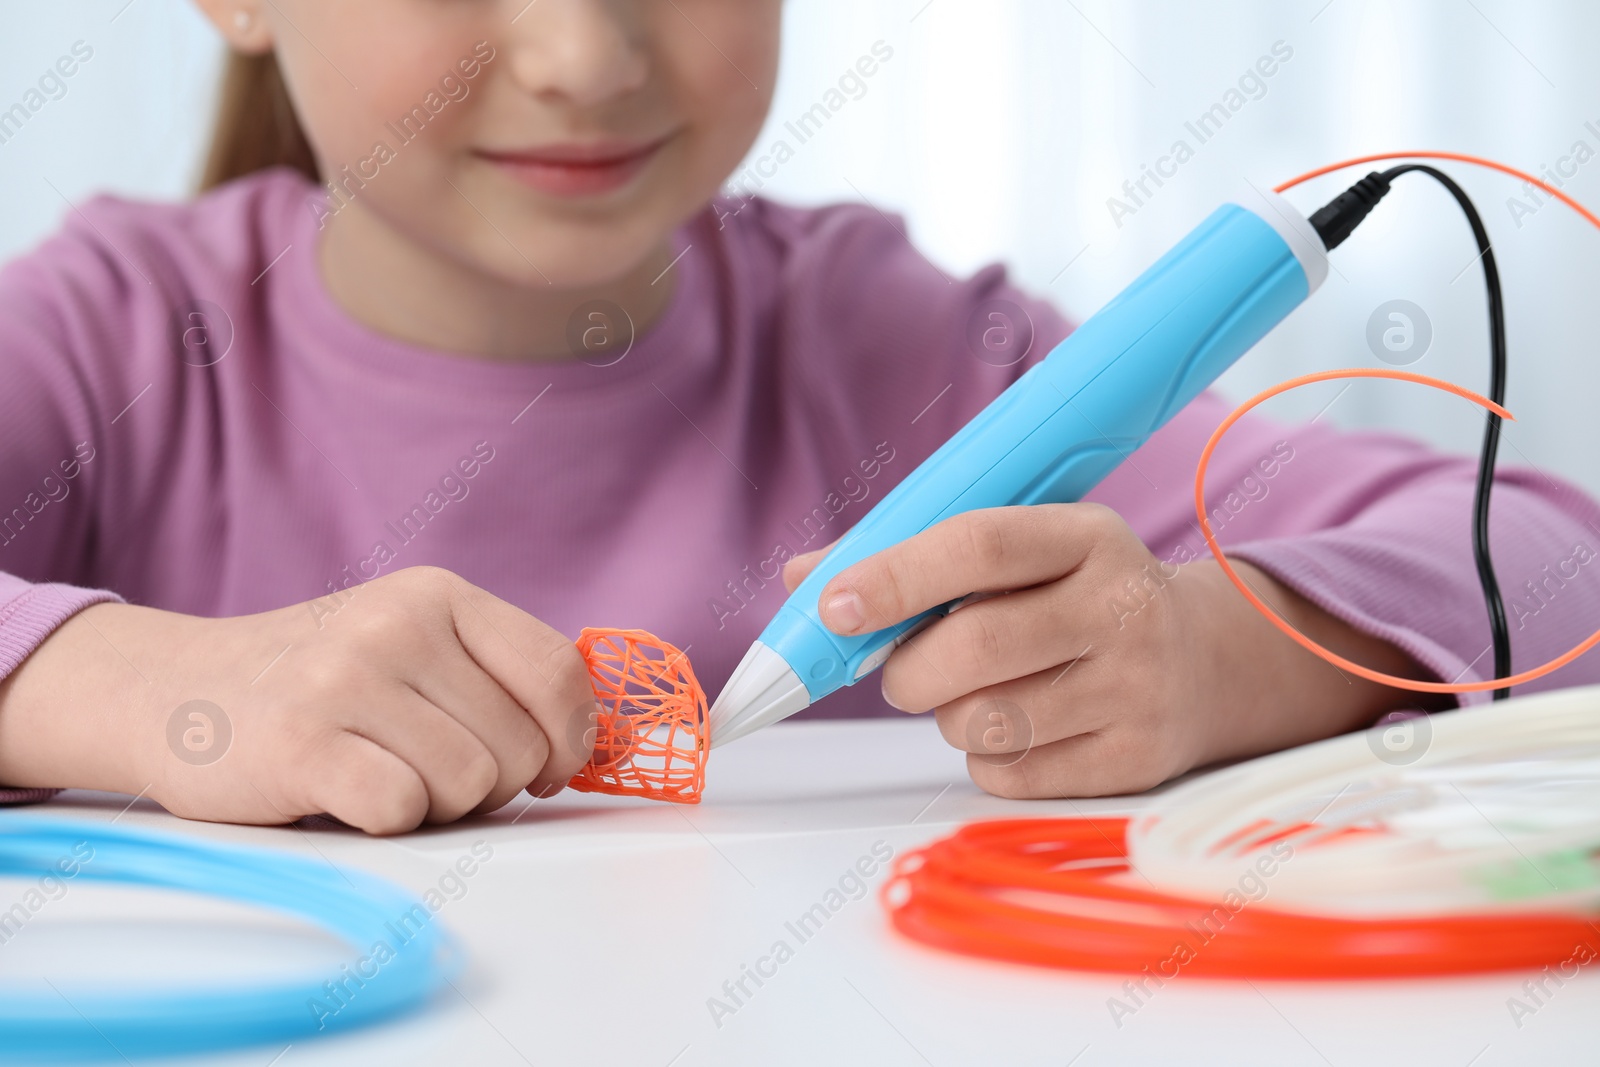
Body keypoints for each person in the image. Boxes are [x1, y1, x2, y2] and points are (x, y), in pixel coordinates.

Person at [0, 0, 1596, 834]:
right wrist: (160, 686)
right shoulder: (112, 337)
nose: (585, 54)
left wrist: (1225, 657)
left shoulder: (906, 347)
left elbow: (1553, 560)